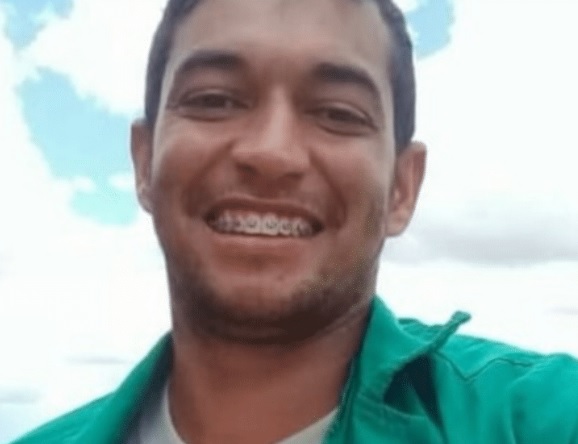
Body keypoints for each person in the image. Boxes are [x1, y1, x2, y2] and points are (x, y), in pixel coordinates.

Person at [12, 0, 578, 442]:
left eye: (337, 112)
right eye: (214, 100)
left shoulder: (536, 418)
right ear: (144, 163)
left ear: (402, 187)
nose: (271, 152)